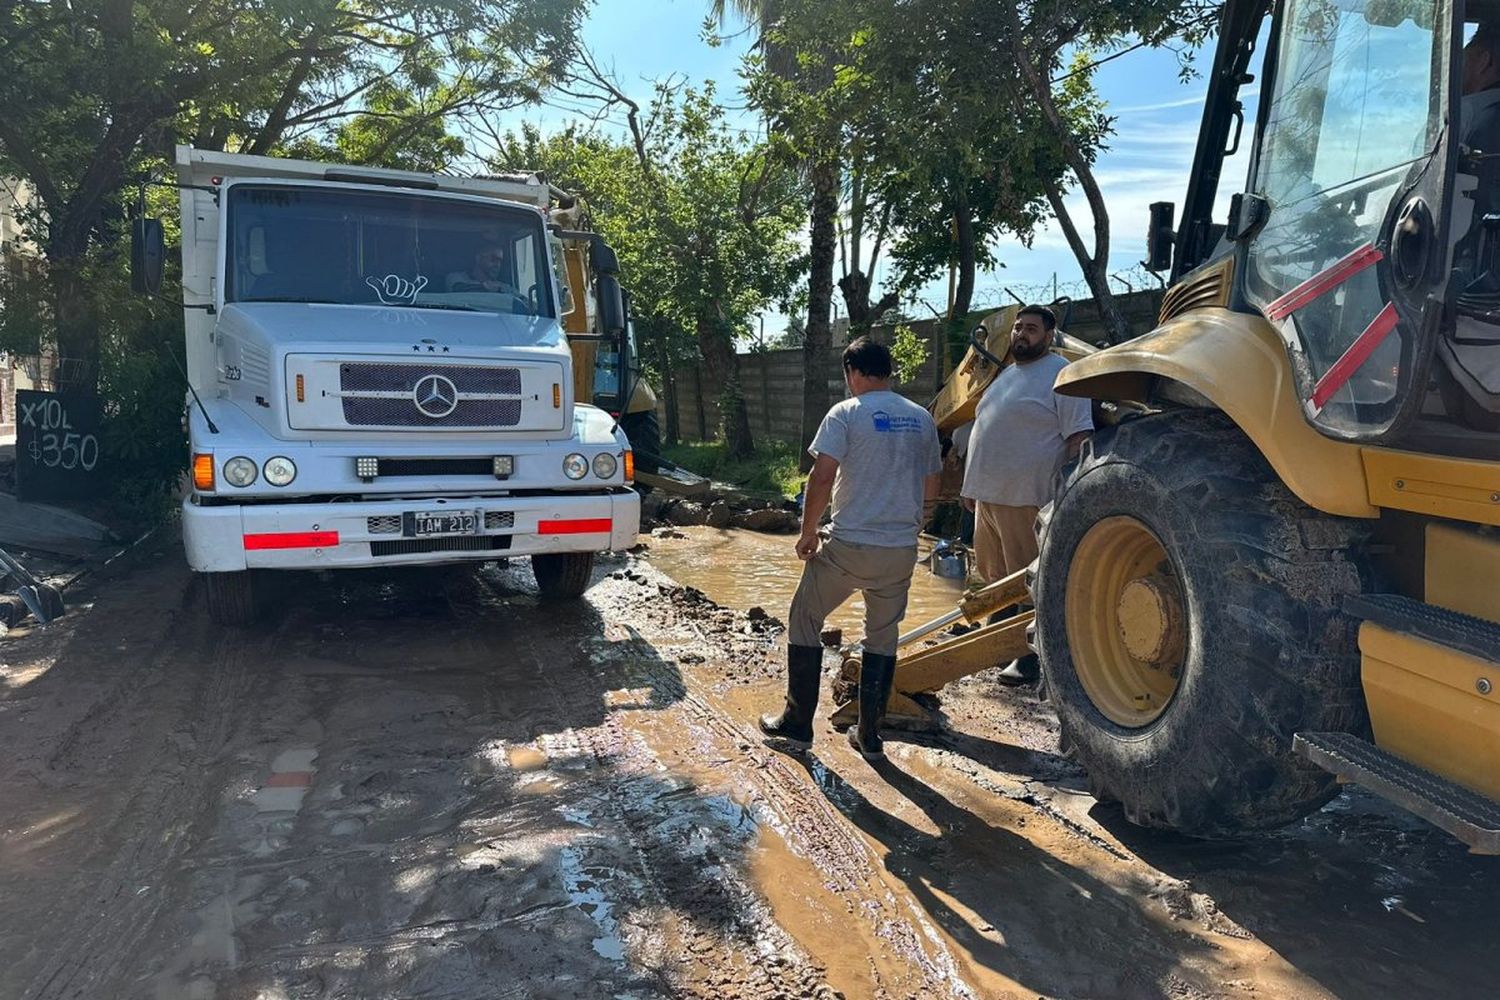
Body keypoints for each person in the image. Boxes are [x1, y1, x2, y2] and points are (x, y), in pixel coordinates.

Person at [759, 337, 942, 761]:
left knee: (805, 616)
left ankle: (797, 724)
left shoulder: (845, 413)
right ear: (889, 371)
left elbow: (822, 477)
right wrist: (922, 520)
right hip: (899, 549)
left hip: (849, 545)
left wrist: (807, 533)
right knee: (882, 635)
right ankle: (870, 735)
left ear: (853, 373)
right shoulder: (920, 418)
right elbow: (933, 479)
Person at [960, 304, 1091, 685]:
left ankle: (1029, 658)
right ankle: (994, 644)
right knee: (994, 578)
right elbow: (986, 430)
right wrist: (971, 488)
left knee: (1026, 582)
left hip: (1027, 497)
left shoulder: (1063, 375)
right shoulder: (1005, 377)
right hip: (987, 497)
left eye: (1031, 329)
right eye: (1018, 328)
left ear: (1049, 336)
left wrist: (1066, 495)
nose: (1021, 334)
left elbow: (1078, 437)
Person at [446, 242, 516, 294]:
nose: (498, 265)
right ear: (478, 258)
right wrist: (485, 288)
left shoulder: (503, 287)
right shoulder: (456, 278)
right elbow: (459, 289)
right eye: (494, 259)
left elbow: (522, 301)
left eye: (500, 261)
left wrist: (499, 289)